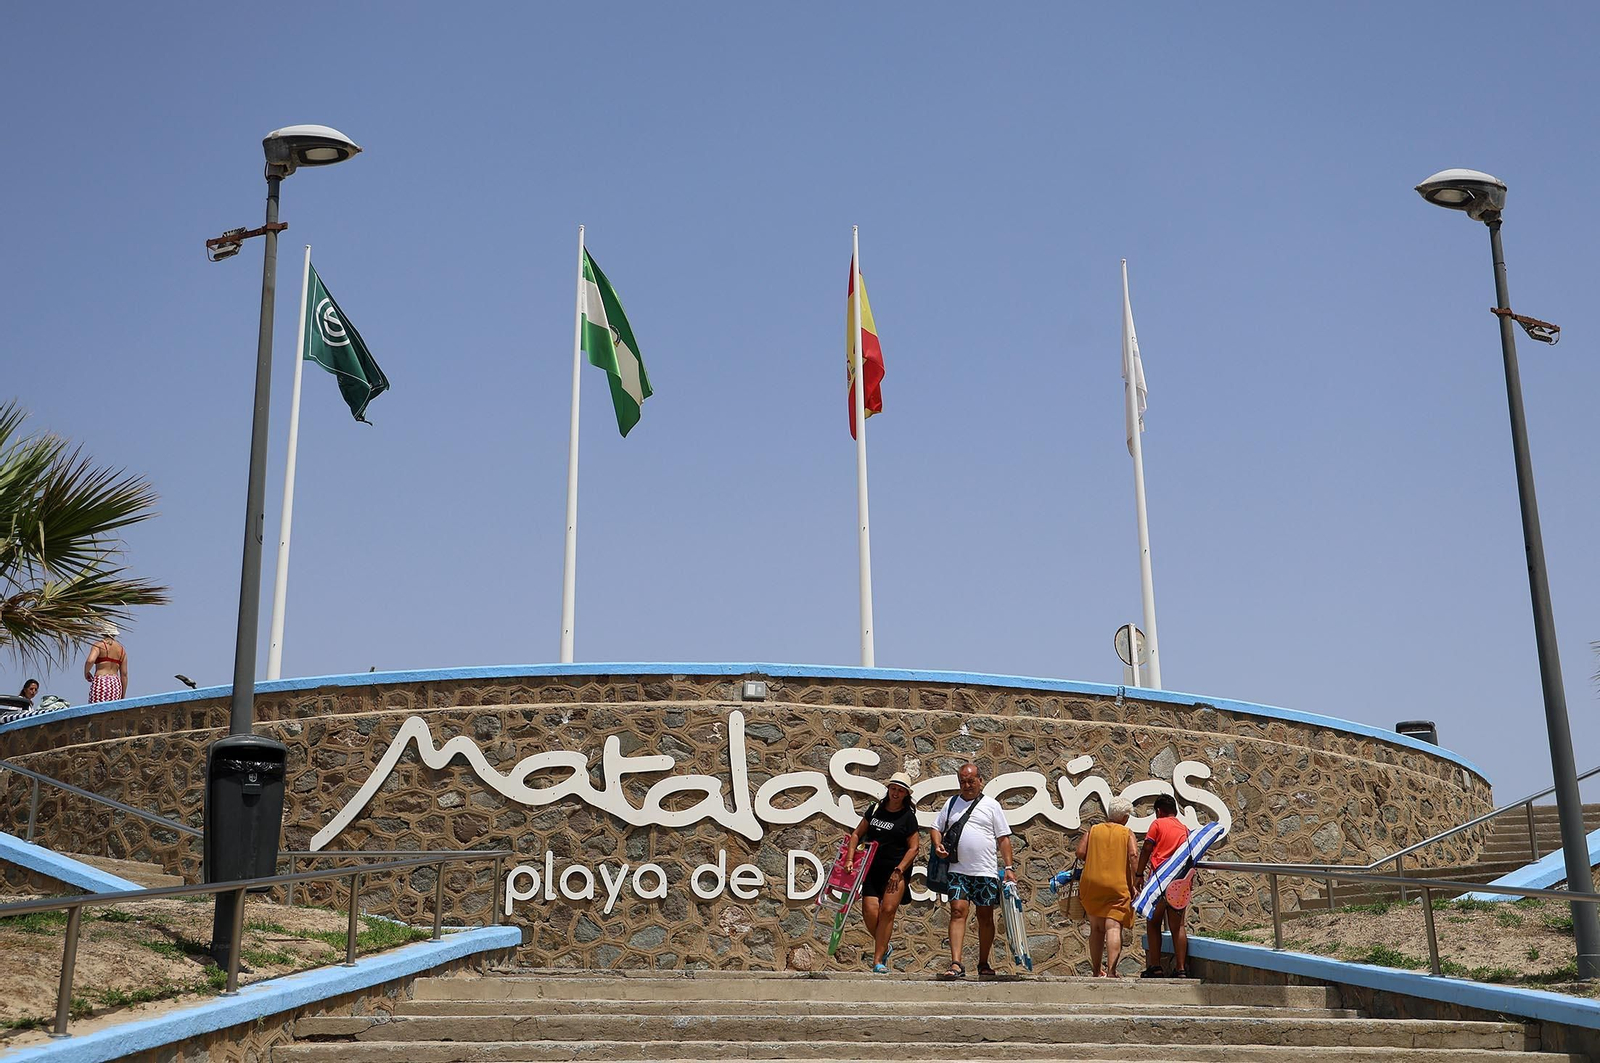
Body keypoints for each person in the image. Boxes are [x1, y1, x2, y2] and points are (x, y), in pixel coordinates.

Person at [930, 762, 1014, 980]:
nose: (967, 785)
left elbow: (1003, 839)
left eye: (970, 781)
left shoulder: (991, 805)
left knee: (985, 916)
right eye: (963, 782)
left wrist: (1009, 867)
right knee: (957, 911)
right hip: (957, 870)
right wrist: (937, 845)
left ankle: (983, 962)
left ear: (980, 781)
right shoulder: (951, 803)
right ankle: (956, 963)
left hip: (985, 871)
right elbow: (936, 827)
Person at [845, 771, 920, 973]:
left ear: (906, 794)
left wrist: (899, 870)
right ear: (888, 789)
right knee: (870, 912)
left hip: (896, 872)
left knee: (887, 911)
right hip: (871, 869)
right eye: (893, 788)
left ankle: (878, 961)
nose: (896, 793)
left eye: (900, 790)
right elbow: (856, 834)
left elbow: (914, 848)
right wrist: (850, 858)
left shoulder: (908, 817)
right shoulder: (875, 809)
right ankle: (885, 945)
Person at [1076, 795, 1138, 977]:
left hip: (1092, 883)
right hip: (1117, 885)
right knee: (1113, 927)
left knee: (1096, 929)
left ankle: (1096, 971)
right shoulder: (1126, 833)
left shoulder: (1094, 830)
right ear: (1125, 817)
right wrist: (1137, 879)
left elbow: (1080, 852)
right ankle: (1111, 971)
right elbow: (1133, 855)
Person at [1136, 793, 1192, 977]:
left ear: (1158, 811)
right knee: (1179, 926)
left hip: (1160, 881)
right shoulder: (1184, 829)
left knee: (1153, 922)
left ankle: (1156, 967)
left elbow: (1147, 848)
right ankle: (1181, 969)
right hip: (1179, 884)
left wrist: (1138, 873)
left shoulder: (1157, 824)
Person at [84, 624, 128, 703]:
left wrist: (86, 672)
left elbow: (90, 661)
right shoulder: (122, 650)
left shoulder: (99, 645)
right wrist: (122, 695)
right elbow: (124, 675)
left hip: (101, 681)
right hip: (116, 684)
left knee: (96, 708)